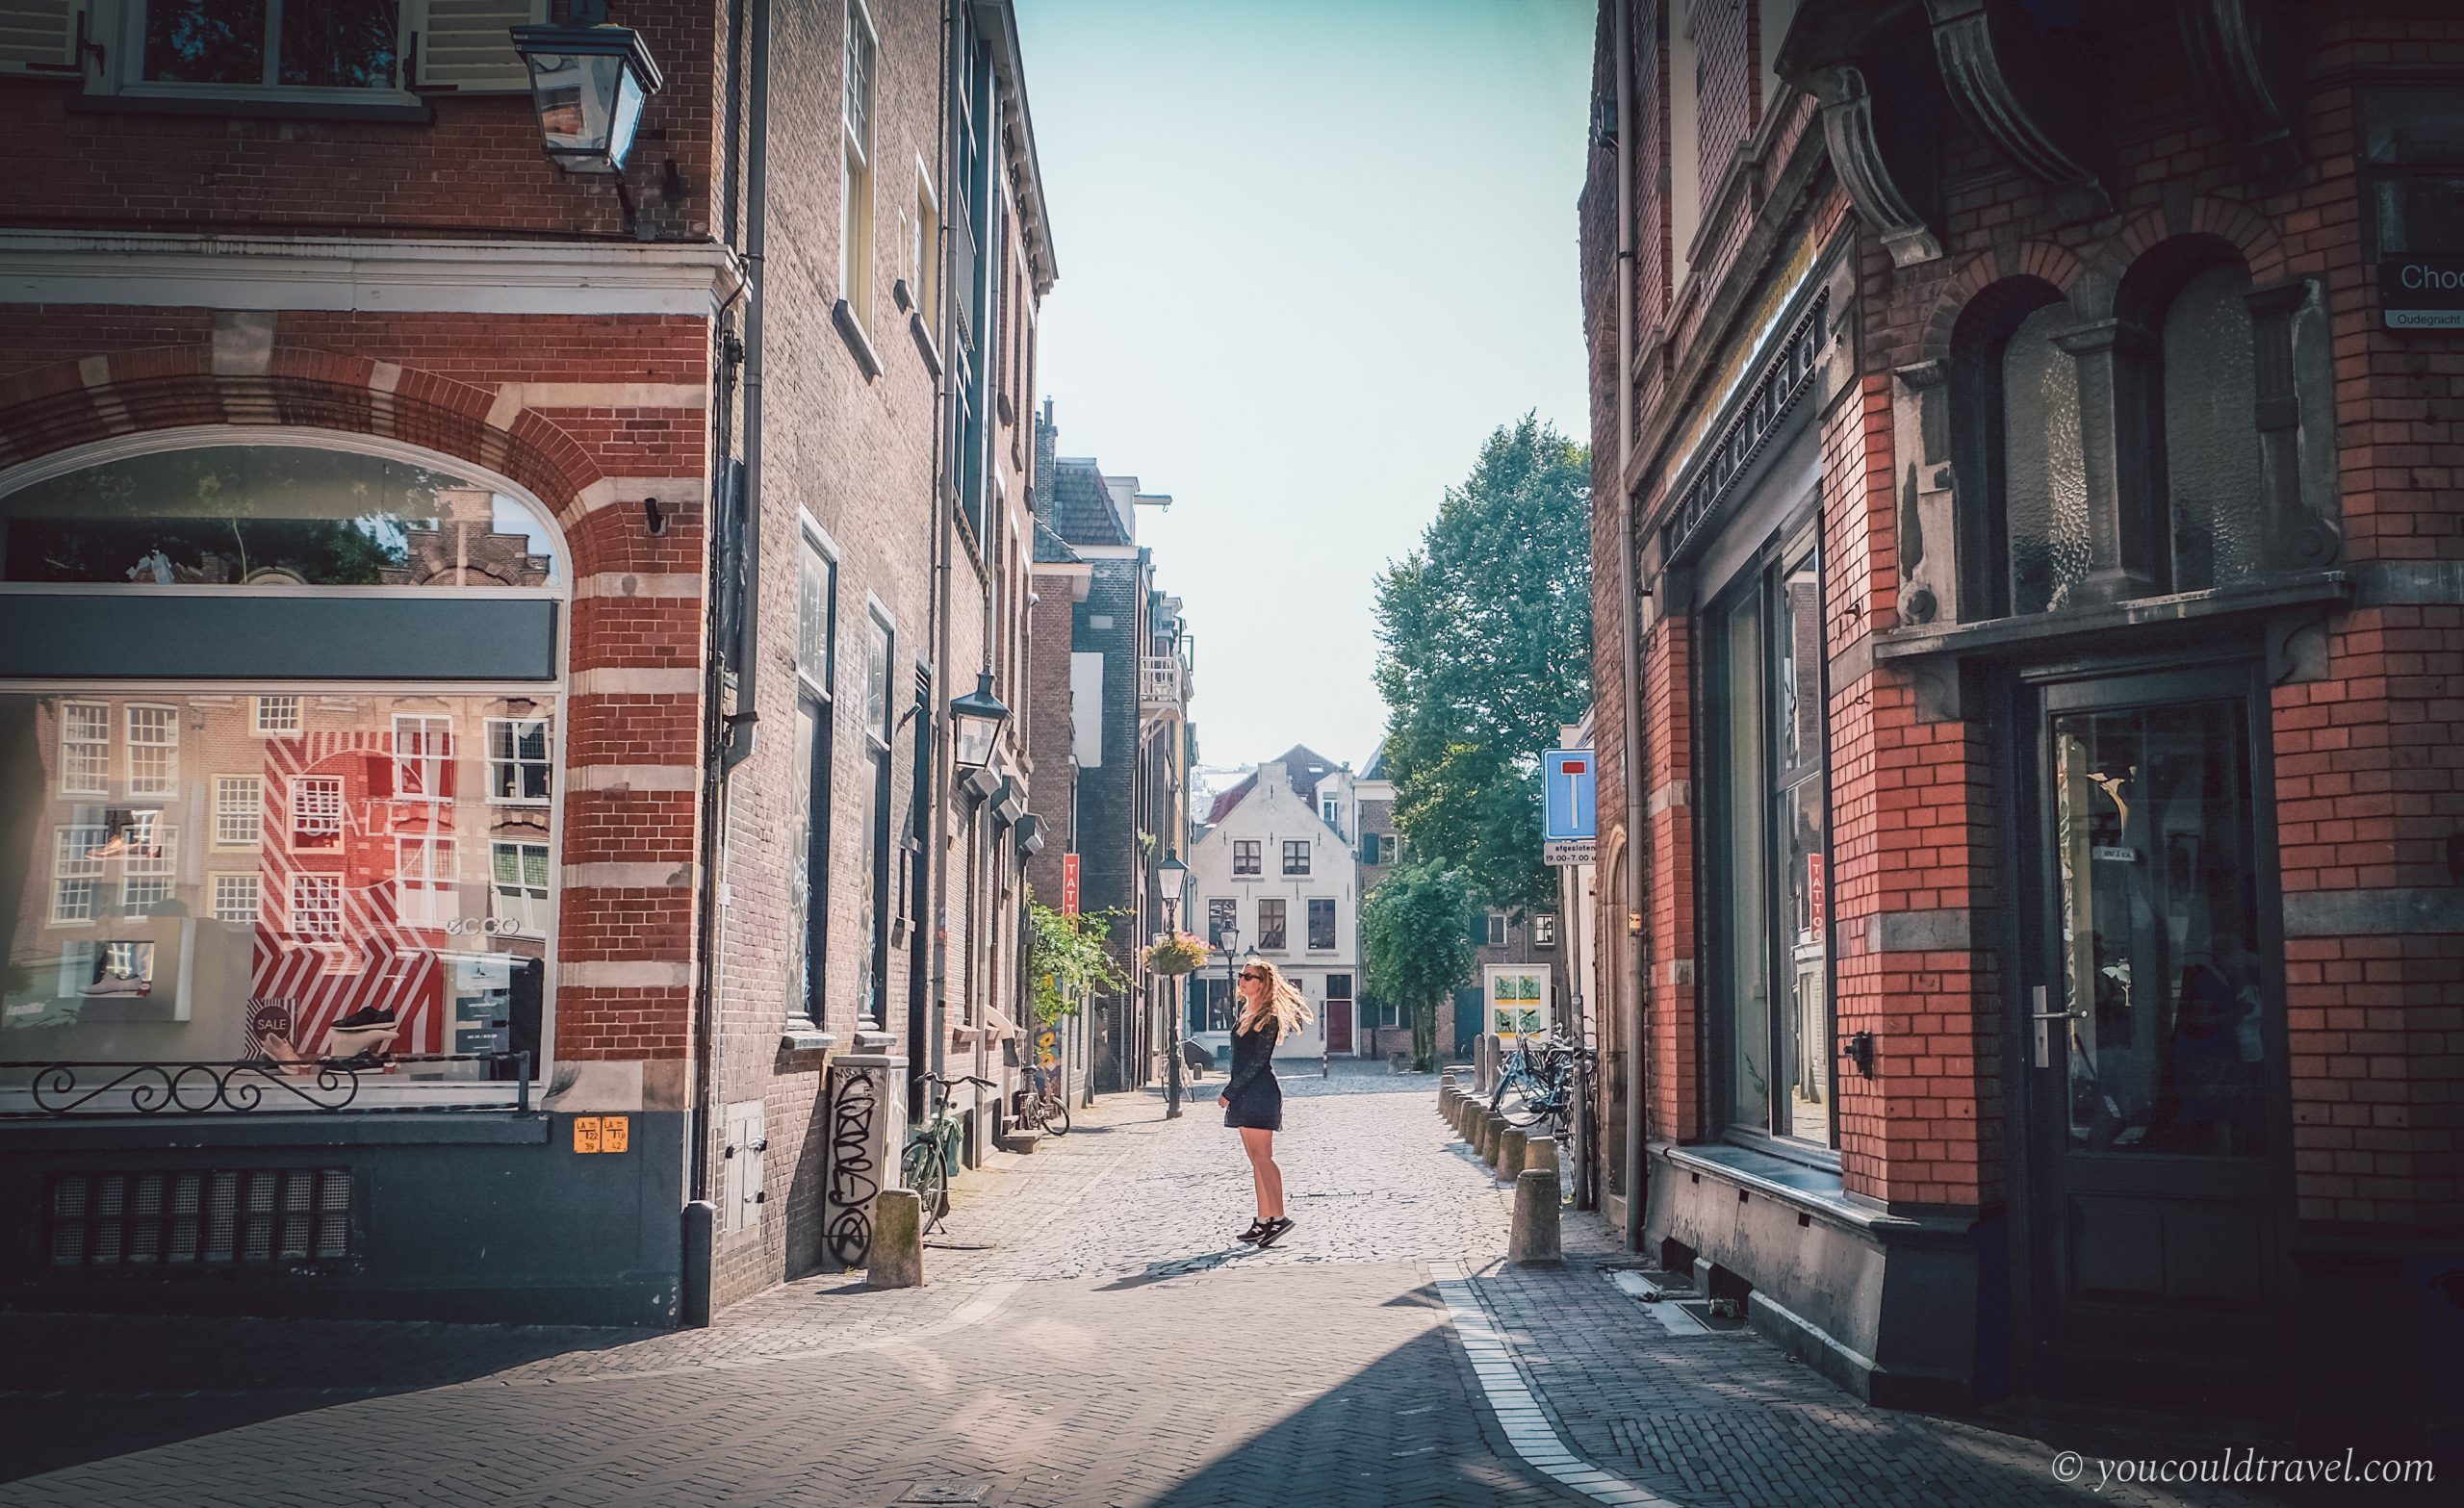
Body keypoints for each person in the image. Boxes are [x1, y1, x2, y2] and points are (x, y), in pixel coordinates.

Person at [1219, 958, 1311, 1247]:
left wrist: (1230, 1091)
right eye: (1241, 975)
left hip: (1260, 1093)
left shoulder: (1268, 1018)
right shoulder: (1246, 1012)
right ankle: (1263, 1221)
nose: (1242, 980)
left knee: (1264, 1158)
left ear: (1263, 983)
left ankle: (1279, 1217)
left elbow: (1258, 1062)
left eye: (1249, 976)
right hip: (1246, 1094)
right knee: (1255, 1160)